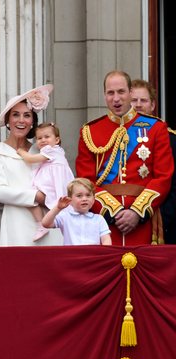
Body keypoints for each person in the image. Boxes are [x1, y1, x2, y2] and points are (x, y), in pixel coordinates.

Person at [76, 70, 173, 245]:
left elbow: (163, 177)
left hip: (144, 220)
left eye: (121, 92)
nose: (116, 98)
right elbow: (85, 181)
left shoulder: (156, 128)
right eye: (111, 93)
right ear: (104, 95)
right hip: (104, 222)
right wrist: (113, 212)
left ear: (130, 92)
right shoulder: (90, 131)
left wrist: (137, 212)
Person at [0, 85, 63, 246]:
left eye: (27, 115)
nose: (21, 120)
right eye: (15, 115)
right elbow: (0, 192)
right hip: (16, 225)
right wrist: (37, 197)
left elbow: (61, 177)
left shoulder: (43, 150)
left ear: (33, 121)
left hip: (50, 223)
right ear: (8, 120)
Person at [131, 78, 176, 244]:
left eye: (144, 100)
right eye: (133, 100)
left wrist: (156, 219)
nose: (138, 105)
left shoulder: (171, 140)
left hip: (162, 225)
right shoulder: (114, 140)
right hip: (122, 224)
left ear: (153, 105)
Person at [17, 122, 74, 241]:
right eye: (39, 138)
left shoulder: (50, 150)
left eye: (47, 137)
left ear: (57, 140)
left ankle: (40, 225)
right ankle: (41, 225)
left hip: (51, 185)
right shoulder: (59, 151)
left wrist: (21, 151)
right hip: (52, 182)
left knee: (30, 197)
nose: (43, 140)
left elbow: (31, 159)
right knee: (31, 198)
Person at [42, 178, 112, 245]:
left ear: (93, 199)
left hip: (92, 255)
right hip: (71, 255)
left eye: (88, 195)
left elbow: (106, 239)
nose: (84, 199)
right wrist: (57, 208)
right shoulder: (65, 216)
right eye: (79, 196)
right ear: (70, 201)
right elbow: (45, 223)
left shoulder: (99, 219)